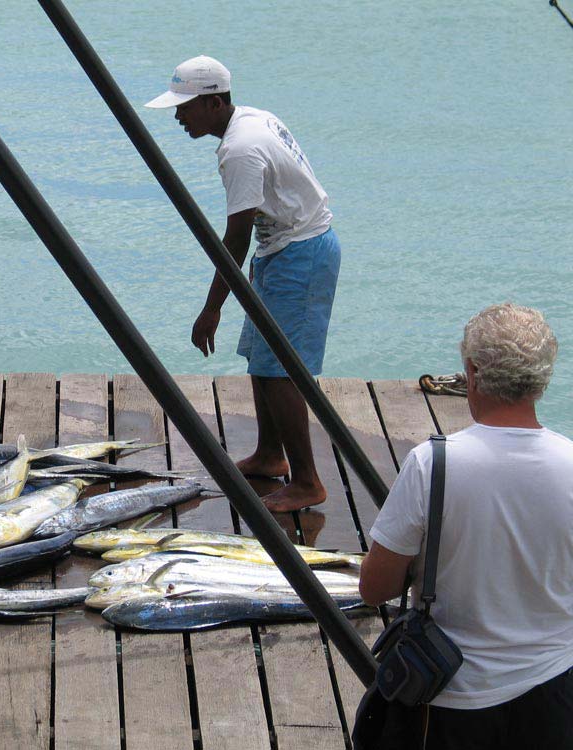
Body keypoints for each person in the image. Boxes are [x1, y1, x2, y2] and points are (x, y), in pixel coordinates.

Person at [359, 303, 573, 749]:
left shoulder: (432, 463)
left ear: (472, 373)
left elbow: (374, 588)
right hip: (556, 691)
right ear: (542, 378)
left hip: (452, 694)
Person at [145, 55, 340, 512]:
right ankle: (271, 455)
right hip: (280, 249)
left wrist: (212, 307)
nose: (178, 116)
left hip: (301, 254)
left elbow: (234, 236)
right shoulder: (253, 118)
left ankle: (308, 481)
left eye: (185, 106)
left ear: (214, 102)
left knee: (281, 370)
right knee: (261, 358)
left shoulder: (240, 150)